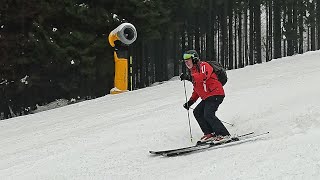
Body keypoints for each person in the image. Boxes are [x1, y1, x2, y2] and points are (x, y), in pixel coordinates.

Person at [180, 50, 231, 143]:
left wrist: (189, 77)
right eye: (185, 61)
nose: (186, 62)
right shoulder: (193, 71)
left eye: (188, 60)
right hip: (208, 97)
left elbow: (203, 76)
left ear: (194, 59)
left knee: (208, 114)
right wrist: (191, 102)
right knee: (197, 112)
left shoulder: (203, 65)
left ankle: (224, 134)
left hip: (216, 93)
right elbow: (197, 89)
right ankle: (210, 133)